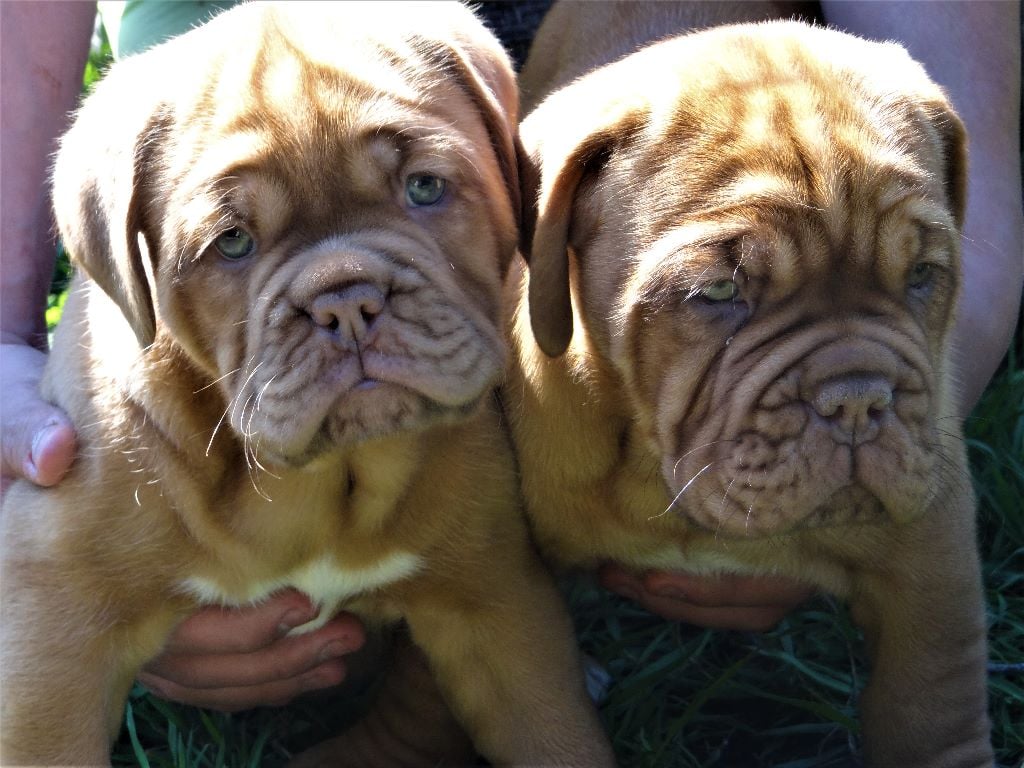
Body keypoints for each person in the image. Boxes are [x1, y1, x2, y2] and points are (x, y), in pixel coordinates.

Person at [2, 0, 1020, 711]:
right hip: (229, 73)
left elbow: (942, 162)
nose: (350, 305)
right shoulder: (174, 133)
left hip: (664, 93)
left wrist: (868, 436)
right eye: (232, 242)